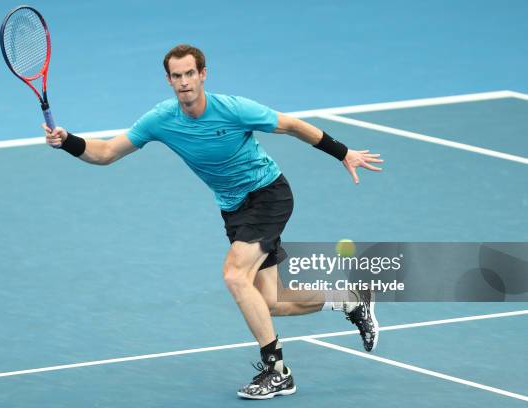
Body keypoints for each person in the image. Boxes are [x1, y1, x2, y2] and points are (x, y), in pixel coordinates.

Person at [44, 44, 384, 400]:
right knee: (269, 302)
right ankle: (349, 297)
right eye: (177, 76)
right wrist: (67, 141)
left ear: (203, 74)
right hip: (234, 209)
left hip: (268, 194)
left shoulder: (233, 109)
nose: (184, 82)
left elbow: (292, 125)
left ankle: (277, 370)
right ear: (169, 80)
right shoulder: (161, 119)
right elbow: (107, 153)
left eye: (190, 73)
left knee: (235, 275)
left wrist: (343, 152)